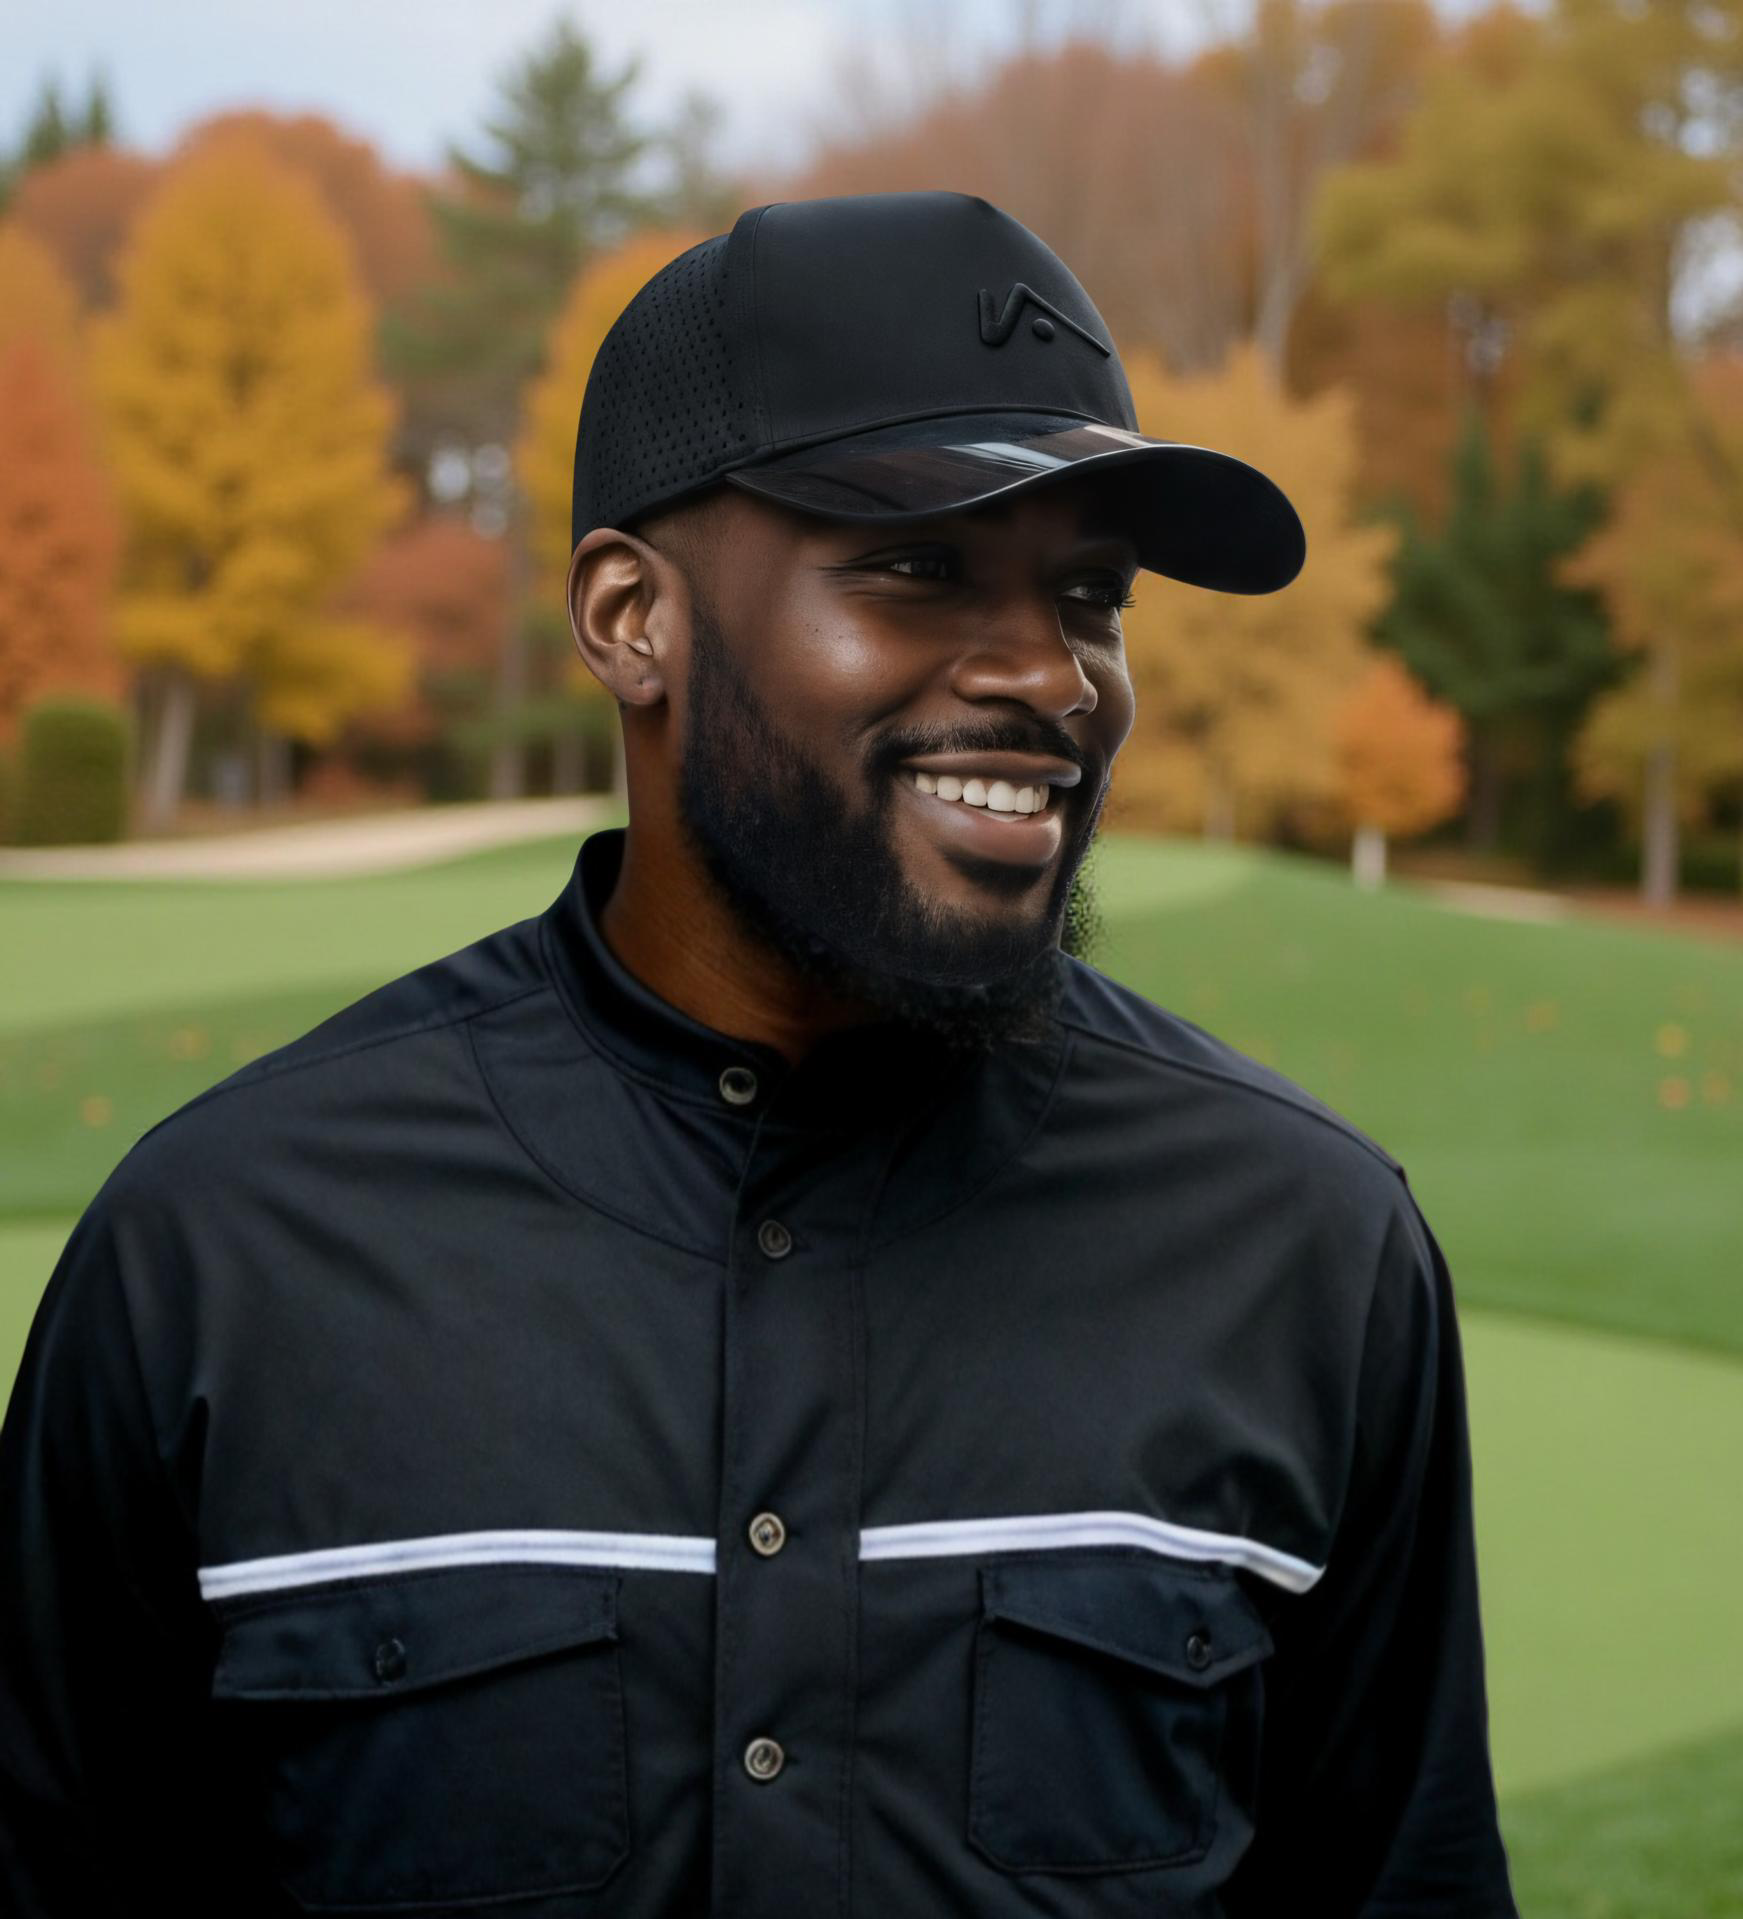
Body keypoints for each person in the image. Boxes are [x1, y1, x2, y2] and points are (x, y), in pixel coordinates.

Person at [0, 190, 1519, 1917]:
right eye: (919, 564)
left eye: (1089, 594)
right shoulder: (219, 1251)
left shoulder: (1307, 1247)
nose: (1050, 673)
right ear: (631, 617)